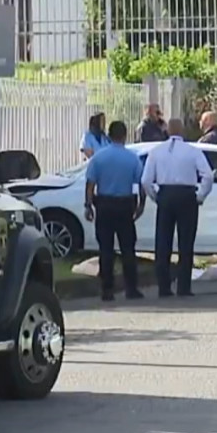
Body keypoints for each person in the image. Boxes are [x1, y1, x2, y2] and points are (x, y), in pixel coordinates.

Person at [141, 118, 214, 297]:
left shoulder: (156, 152)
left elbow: (145, 180)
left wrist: (156, 197)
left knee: (163, 242)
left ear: (167, 131)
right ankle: (184, 287)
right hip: (187, 196)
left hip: (165, 195)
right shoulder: (192, 151)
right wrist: (200, 195)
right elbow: (208, 176)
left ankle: (164, 287)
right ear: (183, 131)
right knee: (186, 242)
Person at [84, 120, 146, 301]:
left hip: (104, 205)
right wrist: (141, 205)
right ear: (125, 135)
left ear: (109, 136)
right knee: (128, 248)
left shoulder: (98, 158)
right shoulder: (132, 158)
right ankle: (131, 288)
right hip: (125, 205)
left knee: (106, 249)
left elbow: (90, 185)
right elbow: (141, 184)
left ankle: (107, 289)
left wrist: (88, 205)